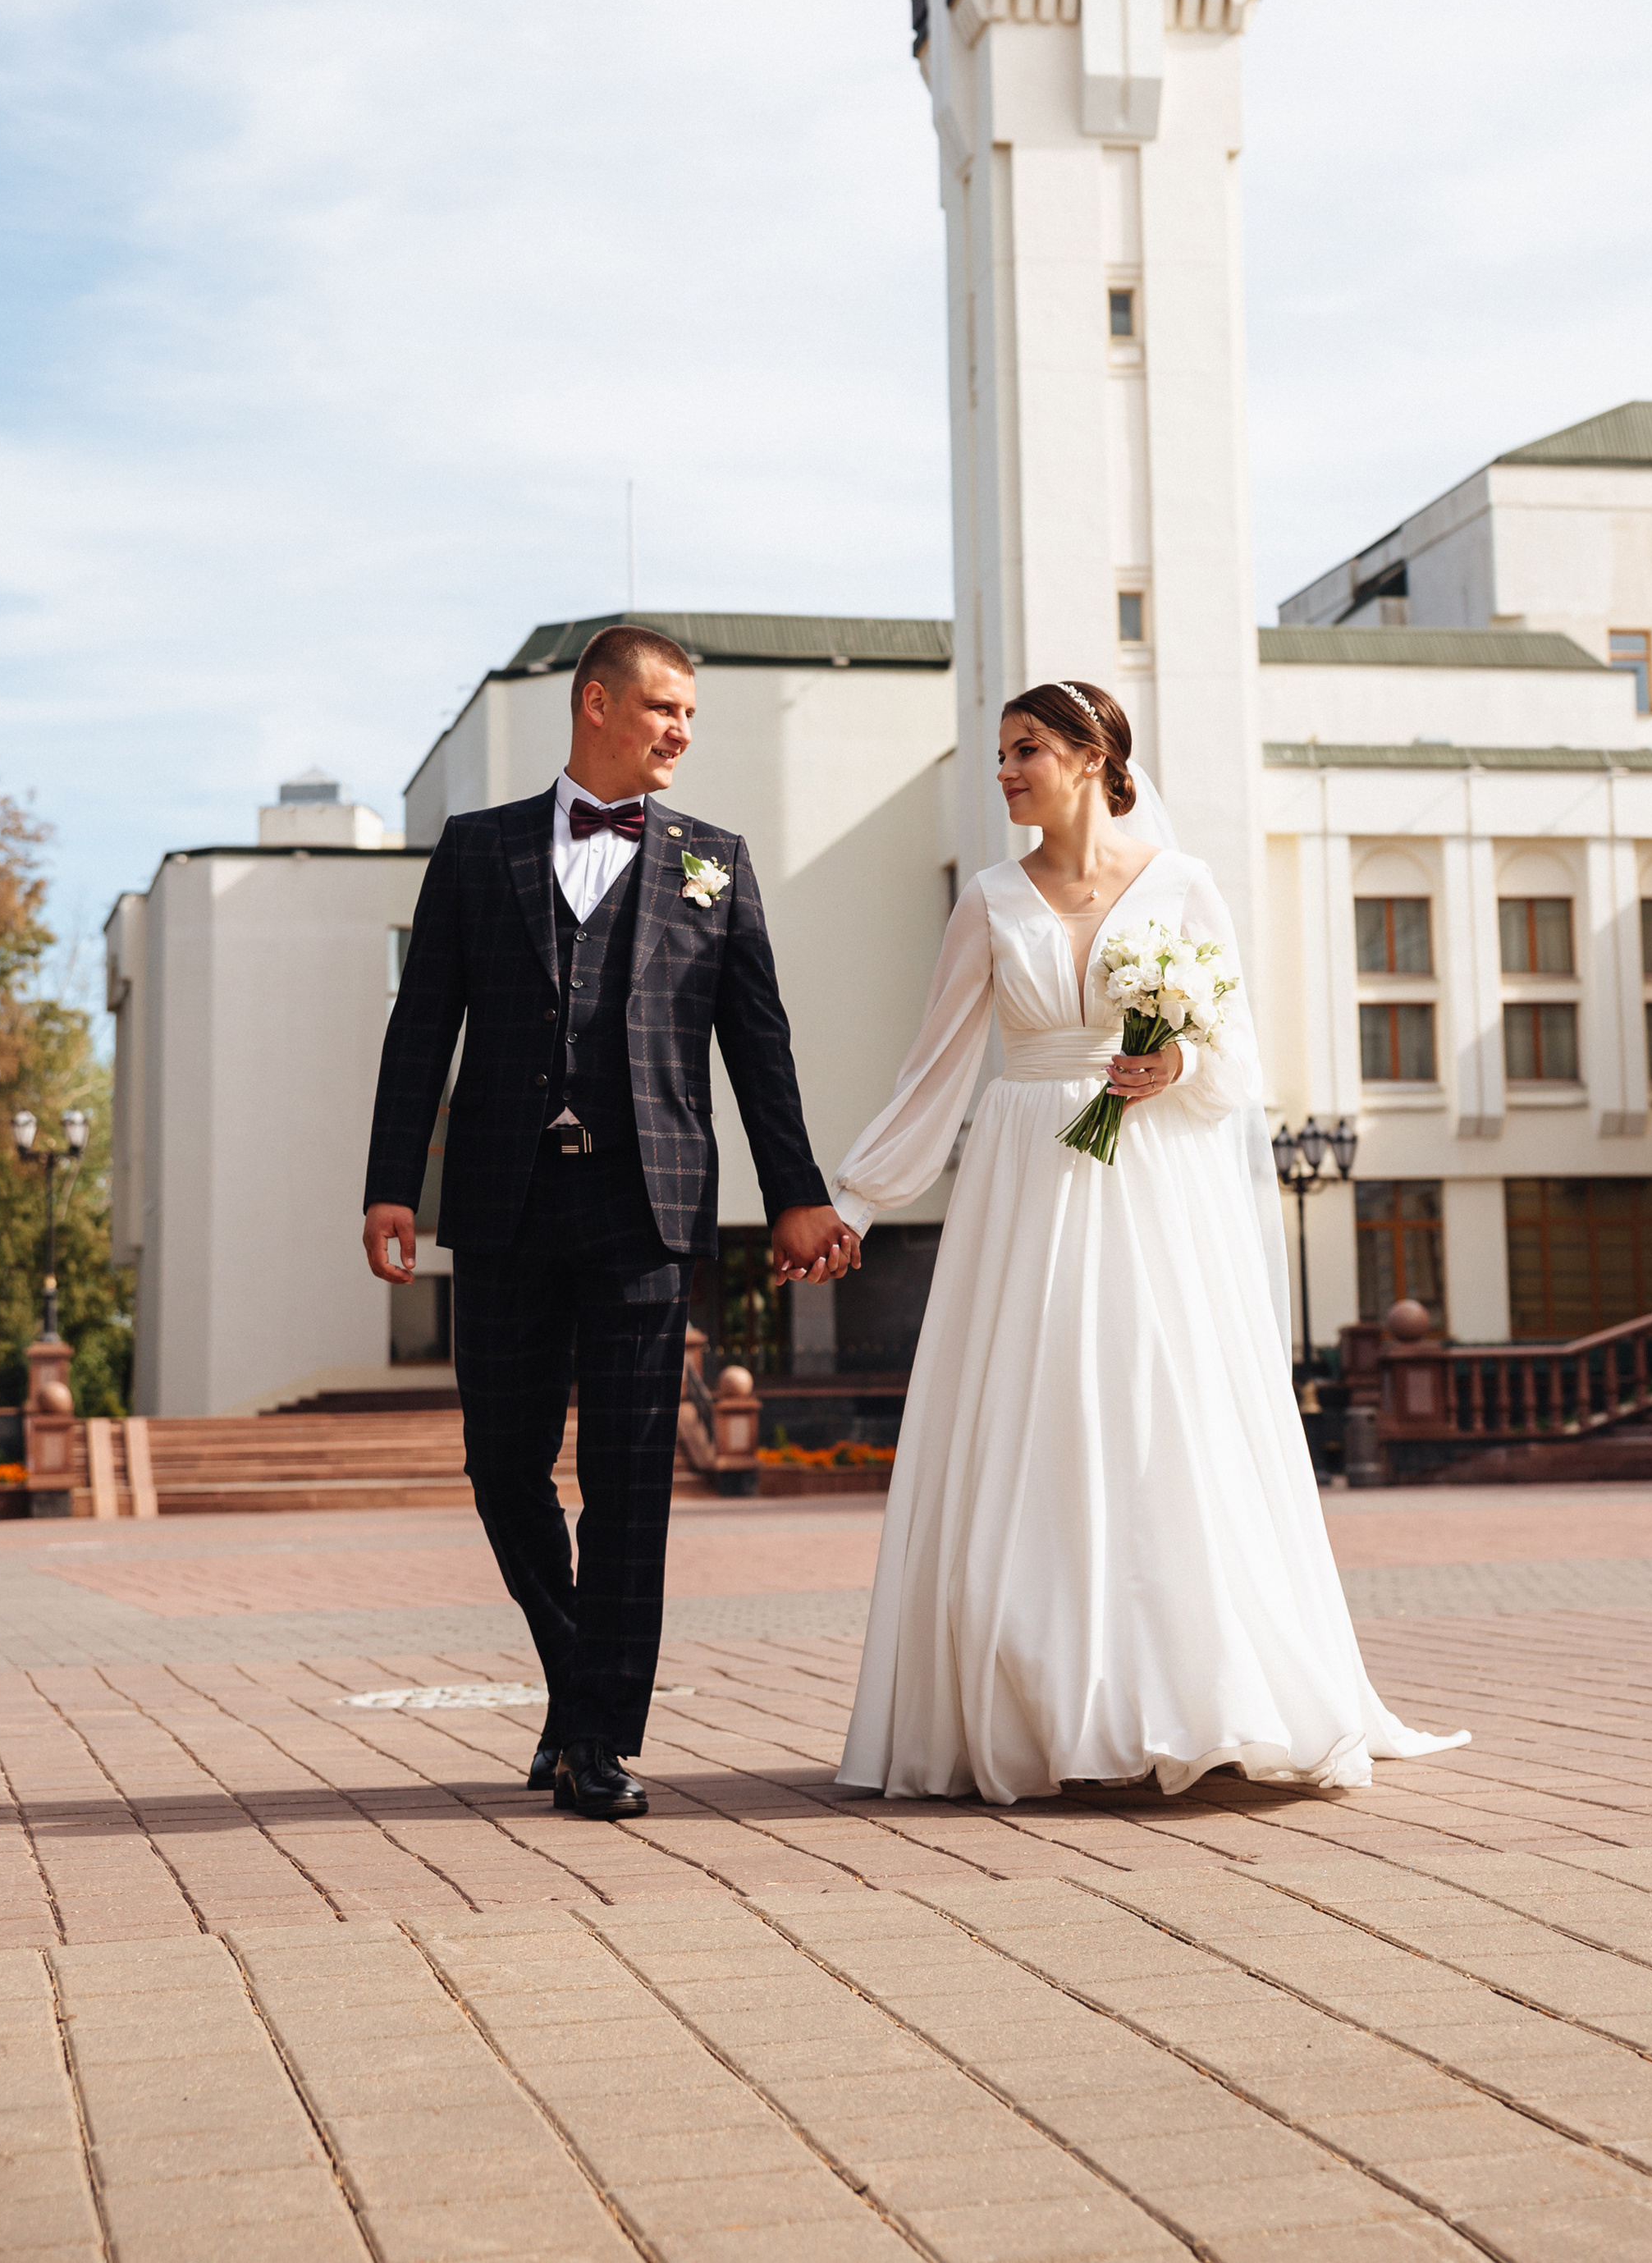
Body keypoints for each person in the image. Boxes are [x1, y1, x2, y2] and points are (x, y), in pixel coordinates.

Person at [831, 679, 1468, 1804]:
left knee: (1157, 1413)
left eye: (1026, 748)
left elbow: (1238, 1066)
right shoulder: (986, 899)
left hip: (1153, 1189)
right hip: (1026, 1183)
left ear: (1090, 756)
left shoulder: (1183, 886)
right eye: (1001, 752)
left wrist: (1173, 1064)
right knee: (1033, 1420)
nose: (1006, 770)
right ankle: (1036, 1701)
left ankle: (1199, 1693)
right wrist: (855, 1202)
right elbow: (932, 1075)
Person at [362, 623, 859, 1822]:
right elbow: (422, 1024)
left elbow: (761, 1045)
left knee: (631, 1481)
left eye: (690, 714)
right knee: (502, 1466)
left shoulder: (714, 863)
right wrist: (389, 1182)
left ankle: (594, 1738)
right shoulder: (478, 852)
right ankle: (583, 1670)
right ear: (596, 704)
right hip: (501, 1204)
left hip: (649, 1208)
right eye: (665, 708)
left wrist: (796, 1191)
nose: (682, 731)